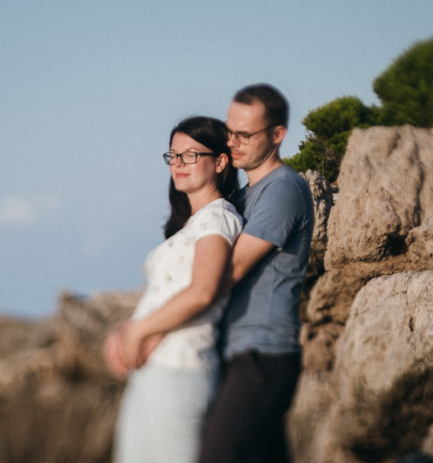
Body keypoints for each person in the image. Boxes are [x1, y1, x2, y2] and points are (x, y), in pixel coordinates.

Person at [106, 115, 244, 463]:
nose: (178, 164)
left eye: (190, 155)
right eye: (173, 156)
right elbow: (166, 295)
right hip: (156, 371)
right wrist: (122, 332)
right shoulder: (192, 225)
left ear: (221, 161)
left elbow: (203, 291)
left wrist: (138, 331)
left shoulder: (218, 218)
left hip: (180, 370)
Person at [199, 84, 314, 463]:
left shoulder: (283, 189)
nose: (232, 143)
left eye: (245, 135)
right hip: (242, 351)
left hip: (264, 353)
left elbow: (229, 269)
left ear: (278, 134)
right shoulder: (246, 195)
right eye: (229, 132)